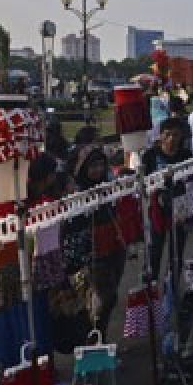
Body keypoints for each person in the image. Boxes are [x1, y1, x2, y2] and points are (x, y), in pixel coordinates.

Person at [70, 144, 126, 338]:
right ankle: (94, 338)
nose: (97, 170)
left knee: (109, 297)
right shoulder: (77, 192)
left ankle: (100, 336)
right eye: (92, 166)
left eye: (100, 165)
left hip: (115, 247)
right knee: (102, 299)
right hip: (93, 252)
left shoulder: (109, 185)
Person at [140, 118, 193, 282]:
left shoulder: (186, 155)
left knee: (176, 251)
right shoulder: (149, 156)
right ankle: (151, 287)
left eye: (176, 135)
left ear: (181, 136)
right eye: (167, 135)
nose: (171, 139)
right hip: (156, 210)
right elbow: (143, 184)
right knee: (154, 250)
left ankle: (172, 288)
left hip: (180, 207)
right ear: (160, 136)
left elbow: (191, 181)